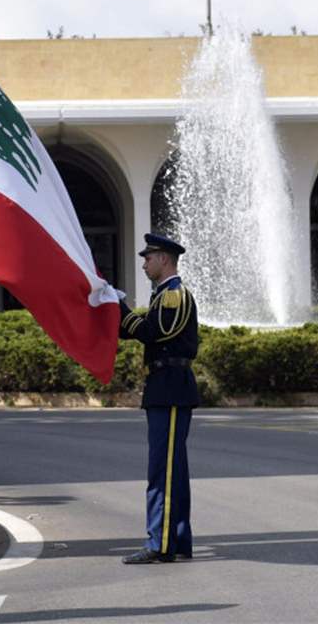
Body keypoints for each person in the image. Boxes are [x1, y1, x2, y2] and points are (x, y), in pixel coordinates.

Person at [118, 233, 200, 564]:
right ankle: (177, 540)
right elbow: (133, 330)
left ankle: (160, 543)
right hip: (167, 387)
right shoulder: (161, 296)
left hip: (170, 387)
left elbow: (153, 332)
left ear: (164, 258)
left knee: (162, 472)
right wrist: (111, 306)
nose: (144, 263)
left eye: (148, 257)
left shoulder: (173, 296)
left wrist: (120, 309)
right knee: (172, 471)